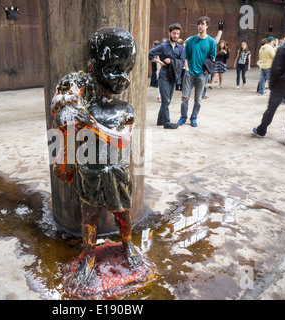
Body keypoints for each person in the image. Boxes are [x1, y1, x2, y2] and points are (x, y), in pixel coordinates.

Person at [51, 27, 144, 287]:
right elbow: (67, 132)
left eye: (127, 70)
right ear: (93, 68)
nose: (122, 78)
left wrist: (91, 125)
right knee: (88, 219)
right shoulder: (82, 107)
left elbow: (124, 141)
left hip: (116, 171)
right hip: (89, 171)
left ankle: (128, 246)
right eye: (115, 68)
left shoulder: (124, 109)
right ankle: (89, 257)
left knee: (123, 215)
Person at [178, 16, 216, 128]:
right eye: (199, 24)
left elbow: (212, 58)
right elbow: (185, 56)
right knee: (185, 98)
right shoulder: (191, 41)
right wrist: (187, 68)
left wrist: (206, 71)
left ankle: (193, 118)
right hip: (189, 73)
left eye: (202, 24)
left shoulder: (211, 42)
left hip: (202, 74)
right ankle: (183, 117)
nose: (200, 26)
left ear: (207, 26)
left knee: (198, 100)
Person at [148, 23, 185, 129]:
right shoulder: (163, 46)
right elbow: (150, 54)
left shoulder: (179, 47)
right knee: (166, 100)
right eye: (174, 33)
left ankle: (160, 120)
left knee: (167, 100)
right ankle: (167, 123)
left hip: (173, 76)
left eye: (178, 34)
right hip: (164, 76)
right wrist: (159, 61)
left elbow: (182, 61)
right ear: (169, 33)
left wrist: (171, 61)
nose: (176, 36)